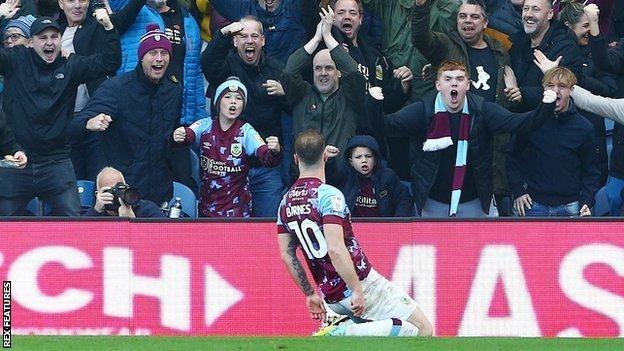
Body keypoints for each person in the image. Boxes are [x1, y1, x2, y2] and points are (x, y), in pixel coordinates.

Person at [277, 129, 432, 337]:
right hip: (360, 282)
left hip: (329, 295)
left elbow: (287, 256)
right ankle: (339, 332)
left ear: (296, 159)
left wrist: (311, 294)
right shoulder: (328, 195)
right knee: (423, 329)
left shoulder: (285, 202)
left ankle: (340, 323)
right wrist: (357, 289)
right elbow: (335, 249)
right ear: (324, 155)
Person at [383, 60, 556, 217]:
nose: (454, 83)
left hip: (475, 202)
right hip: (432, 203)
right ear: (438, 85)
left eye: (459, 79)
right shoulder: (423, 110)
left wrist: (546, 107)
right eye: (448, 79)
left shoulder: (483, 110)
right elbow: (387, 126)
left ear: (468, 85)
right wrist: (373, 104)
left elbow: (520, 123)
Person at [0, 14, 121, 216]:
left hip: (56, 162)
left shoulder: (70, 65)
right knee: (5, 227)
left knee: (73, 223)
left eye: (54, 37)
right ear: (30, 43)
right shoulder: (16, 59)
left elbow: (109, 62)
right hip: (18, 160)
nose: (49, 43)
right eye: (43, 37)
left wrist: (108, 27)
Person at [411, 0, 514, 215]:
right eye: (463, 16)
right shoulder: (447, 45)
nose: (468, 21)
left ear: (485, 22)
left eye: (474, 17)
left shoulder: (499, 50)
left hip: (488, 142)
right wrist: (421, 8)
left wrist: (514, 92)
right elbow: (421, 39)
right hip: (451, 136)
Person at [76, 24, 179, 205]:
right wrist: (89, 123)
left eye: (164, 53)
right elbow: (76, 124)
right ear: (141, 57)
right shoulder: (116, 88)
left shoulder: (174, 89)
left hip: (159, 189)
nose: (159, 59)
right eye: (153, 53)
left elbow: (171, 136)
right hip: (123, 189)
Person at [201, 16, 286, 216]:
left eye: (255, 36)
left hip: (265, 168)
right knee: (230, 232)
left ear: (263, 41)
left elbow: (295, 107)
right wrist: (224, 32)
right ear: (235, 41)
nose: (250, 41)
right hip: (227, 170)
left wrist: (286, 92)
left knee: (269, 227)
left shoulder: (276, 68)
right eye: (244, 36)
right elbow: (207, 63)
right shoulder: (225, 65)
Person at [59, 0, 146, 181]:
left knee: (99, 181)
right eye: (70, 0)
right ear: (60, 4)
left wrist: (106, 24)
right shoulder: (53, 34)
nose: (77, 5)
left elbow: (126, 16)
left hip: (97, 120)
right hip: (65, 121)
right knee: (70, 183)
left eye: (82, 0)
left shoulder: (98, 25)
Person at [172, 77, 282, 217]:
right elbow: (187, 136)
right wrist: (178, 135)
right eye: (228, 97)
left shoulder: (246, 131)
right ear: (218, 102)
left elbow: (267, 158)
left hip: (238, 213)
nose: (233, 101)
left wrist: (275, 150)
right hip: (207, 212)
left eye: (239, 98)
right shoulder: (205, 125)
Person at [281, 8, 367, 176]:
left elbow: (354, 73)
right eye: (318, 68)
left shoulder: (350, 98)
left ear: (338, 72)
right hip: (301, 176)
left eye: (329, 68)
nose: (323, 73)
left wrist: (328, 37)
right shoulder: (302, 95)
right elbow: (289, 72)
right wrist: (317, 37)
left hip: (339, 177)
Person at [507, 67, 599, 217]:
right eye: (550, 86)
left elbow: (591, 170)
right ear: (543, 89)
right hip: (533, 204)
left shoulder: (584, 127)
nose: (556, 91)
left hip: (571, 206)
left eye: (562, 86)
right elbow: (512, 157)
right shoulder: (530, 121)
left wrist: (586, 201)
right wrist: (518, 190)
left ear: (571, 90)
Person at [508, 0, 583, 112]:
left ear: (550, 14)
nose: (528, 14)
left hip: (552, 122)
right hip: (519, 120)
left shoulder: (566, 46)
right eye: (525, 8)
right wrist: (511, 89)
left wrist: (522, 94)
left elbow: (568, 91)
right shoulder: (517, 43)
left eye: (535, 9)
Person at [326, 135, 413, 217]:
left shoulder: (388, 176)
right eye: (358, 157)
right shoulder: (344, 175)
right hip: (351, 227)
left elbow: (404, 199)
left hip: (381, 228)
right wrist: (329, 160)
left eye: (368, 156)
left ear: (375, 160)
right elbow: (330, 177)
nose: (364, 160)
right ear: (351, 162)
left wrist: (398, 222)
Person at [210, 0, 305, 63]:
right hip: (253, 78)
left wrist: (288, 85)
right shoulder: (242, 8)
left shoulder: (296, 7)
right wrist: (223, 33)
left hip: (290, 80)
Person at [83, 167, 166, 217]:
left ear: (127, 188)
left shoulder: (147, 209)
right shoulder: (94, 214)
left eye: (119, 189)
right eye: (110, 191)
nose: (116, 195)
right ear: (98, 195)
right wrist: (95, 212)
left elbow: (166, 237)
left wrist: (132, 222)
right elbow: (77, 238)